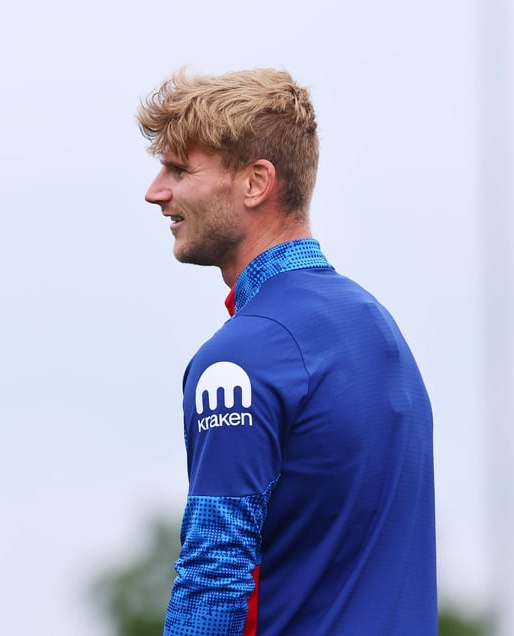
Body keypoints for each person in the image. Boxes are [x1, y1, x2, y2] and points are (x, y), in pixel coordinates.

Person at [138, 68, 436, 634]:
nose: (155, 191)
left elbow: (214, 580)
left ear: (256, 182)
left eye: (179, 169)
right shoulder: (379, 329)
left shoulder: (241, 357)